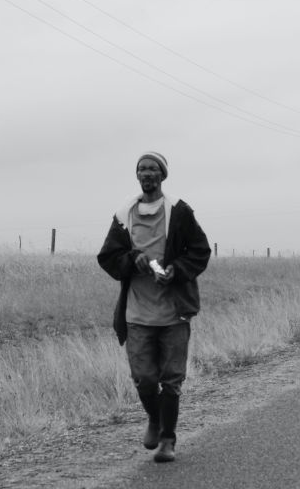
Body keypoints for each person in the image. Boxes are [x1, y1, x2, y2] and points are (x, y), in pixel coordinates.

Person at [97, 151, 211, 463]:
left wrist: (176, 271)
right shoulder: (125, 214)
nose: (147, 173)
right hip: (137, 314)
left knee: (171, 381)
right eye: (142, 169)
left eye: (153, 168)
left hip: (174, 312)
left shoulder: (179, 211)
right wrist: (133, 261)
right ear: (137, 176)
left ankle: (168, 441)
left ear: (162, 175)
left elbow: (200, 251)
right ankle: (154, 419)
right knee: (144, 378)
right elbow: (108, 257)